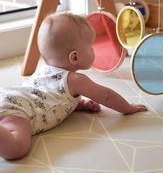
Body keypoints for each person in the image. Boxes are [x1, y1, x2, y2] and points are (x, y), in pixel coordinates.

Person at [0, 12, 147, 160]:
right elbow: (106, 96)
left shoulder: (44, 70)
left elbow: (51, 96)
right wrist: (128, 108)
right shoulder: (76, 80)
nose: (93, 50)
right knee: (17, 147)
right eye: (91, 46)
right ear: (74, 57)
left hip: (9, 96)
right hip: (20, 110)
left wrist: (79, 104)